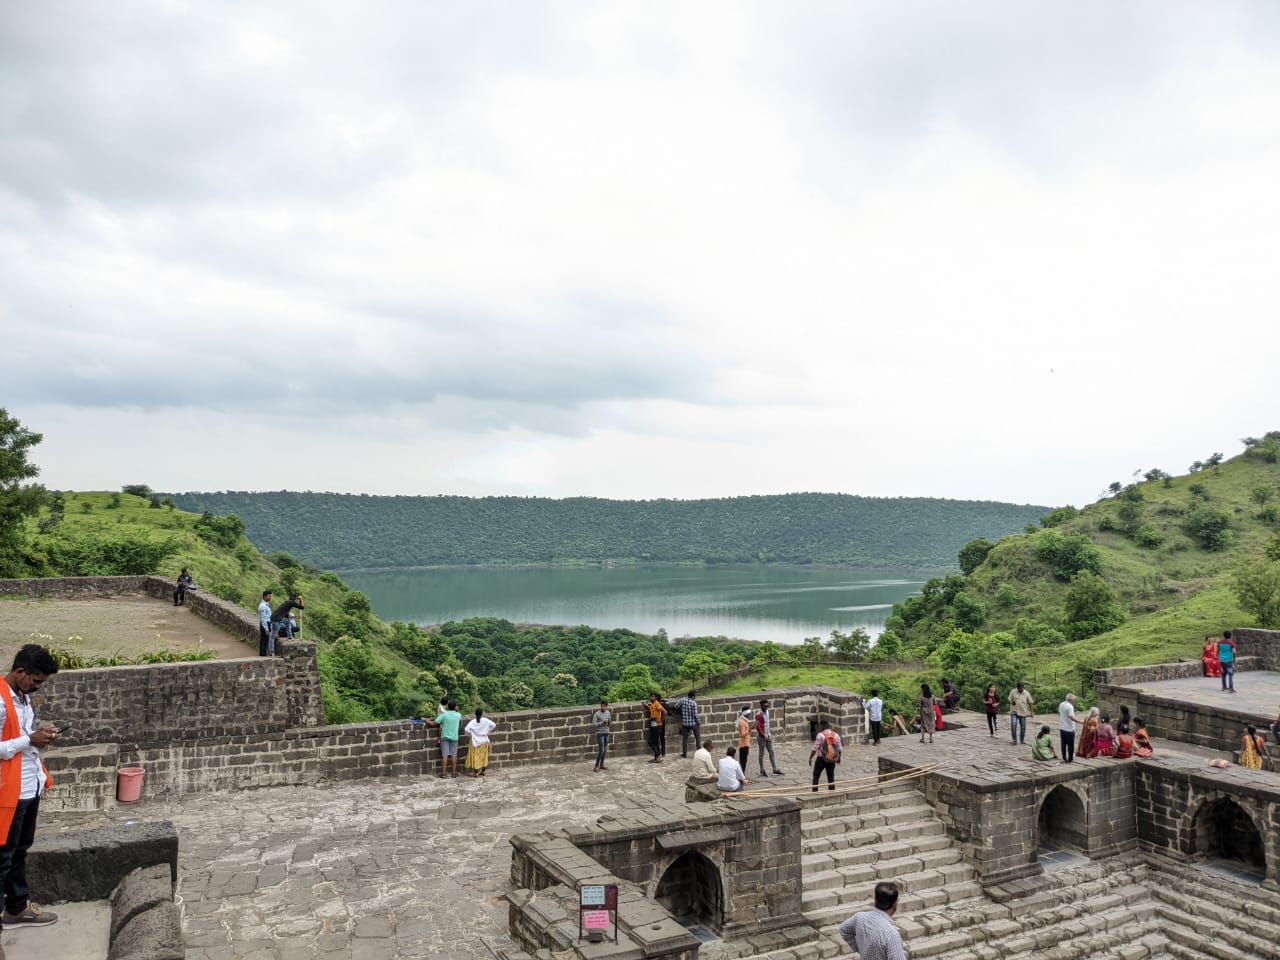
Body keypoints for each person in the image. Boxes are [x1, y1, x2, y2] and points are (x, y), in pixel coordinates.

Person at [0, 645, 61, 935]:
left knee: (19, 852)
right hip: (6, 794)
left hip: (28, 786)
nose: (38, 687)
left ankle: (16, 907)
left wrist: (38, 734)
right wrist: (29, 740)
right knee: (2, 858)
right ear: (20, 672)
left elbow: (20, 734)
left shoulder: (23, 698)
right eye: (36, 681)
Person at [838, 881, 907, 960]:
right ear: (895, 905)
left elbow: (843, 929)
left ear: (875, 900)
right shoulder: (891, 934)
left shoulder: (859, 917)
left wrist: (860, 949)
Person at [429, 701, 463, 778]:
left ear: (448, 707)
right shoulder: (458, 715)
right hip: (454, 737)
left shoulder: (444, 715)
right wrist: (456, 710)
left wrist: (425, 720)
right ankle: (454, 773)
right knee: (454, 755)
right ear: (455, 707)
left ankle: (443, 773)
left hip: (445, 737)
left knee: (445, 755)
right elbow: (458, 714)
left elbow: (433, 723)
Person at [463, 708, 497, 778]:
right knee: (484, 756)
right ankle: (483, 771)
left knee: (476, 756)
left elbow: (466, 729)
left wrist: (473, 733)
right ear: (482, 714)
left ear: (475, 714)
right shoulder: (485, 720)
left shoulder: (473, 722)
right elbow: (494, 725)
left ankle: (476, 773)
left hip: (475, 741)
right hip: (484, 740)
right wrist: (487, 731)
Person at [809, 721, 841, 792]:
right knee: (831, 777)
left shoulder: (820, 735)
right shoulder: (836, 735)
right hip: (831, 758)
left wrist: (810, 757)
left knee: (816, 775)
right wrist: (839, 758)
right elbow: (839, 748)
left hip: (821, 759)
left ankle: (815, 792)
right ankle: (832, 792)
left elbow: (815, 748)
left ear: (822, 726)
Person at [755, 699, 784, 776]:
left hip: (768, 735)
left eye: (767, 706)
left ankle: (775, 769)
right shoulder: (758, 714)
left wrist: (768, 735)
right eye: (765, 706)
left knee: (771, 752)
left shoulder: (767, 712)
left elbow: (767, 724)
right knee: (762, 754)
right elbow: (757, 727)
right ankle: (762, 770)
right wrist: (764, 736)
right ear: (761, 706)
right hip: (762, 737)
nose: (766, 707)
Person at [671, 691, 700, 759]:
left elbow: (676, 706)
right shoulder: (694, 703)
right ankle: (699, 754)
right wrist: (698, 722)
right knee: (697, 738)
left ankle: (685, 754)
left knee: (685, 739)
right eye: (695, 696)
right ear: (693, 696)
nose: (696, 697)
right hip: (693, 723)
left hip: (685, 723)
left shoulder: (682, 700)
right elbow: (695, 715)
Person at [1059, 694, 1083, 763]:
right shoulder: (1070, 706)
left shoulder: (1061, 704)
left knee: (1063, 744)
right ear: (1071, 700)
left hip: (1062, 727)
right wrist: (1080, 722)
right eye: (1074, 700)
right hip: (1069, 729)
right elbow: (1071, 717)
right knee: (1070, 745)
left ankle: (1064, 757)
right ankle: (1070, 758)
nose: (1074, 702)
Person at [646, 693, 667, 763]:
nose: (651, 698)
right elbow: (651, 709)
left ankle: (658, 755)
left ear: (656, 698)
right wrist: (645, 706)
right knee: (655, 741)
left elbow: (665, 712)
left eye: (653, 696)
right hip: (653, 723)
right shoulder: (653, 704)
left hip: (657, 724)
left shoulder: (657, 703)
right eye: (650, 696)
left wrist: (661, 720)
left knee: (651, 741)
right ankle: (657, 757)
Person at [591, 701, 611, 772]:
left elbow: (609, 722)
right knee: (601, 750)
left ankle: (602, 764)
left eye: (604, 706)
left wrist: (607, 724)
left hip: (606, 733)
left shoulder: (608, 713)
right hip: (600, 733)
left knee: (605, 750)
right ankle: (596, 765)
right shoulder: (597, 714)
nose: (603, 708)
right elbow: (594, 724)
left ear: (606, 706)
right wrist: (601, 723)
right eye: (602, 706)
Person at [736, 705, 753, 773]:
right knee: (743, 761)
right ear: (745, 714)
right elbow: (743, 734)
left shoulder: (744, 721)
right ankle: (742, 775)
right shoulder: (742, 722)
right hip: (743, 744)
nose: (749, 715)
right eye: (748, 714)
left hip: (746, 743)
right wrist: (750, 730)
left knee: (744, 761)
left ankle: (742, 775)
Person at [257, 590, 273, 657]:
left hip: (267, 623)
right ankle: (262, 656)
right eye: (269, 596)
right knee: (264, 641)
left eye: (270, 596)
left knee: (265, 641)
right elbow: (263, 619)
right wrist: (266, 629)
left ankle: (263, 655)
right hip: (265, 624)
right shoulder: (262, 606)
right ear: (265, 597)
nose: (270, 598)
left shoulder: (266, 605)